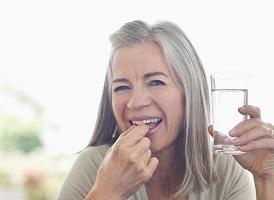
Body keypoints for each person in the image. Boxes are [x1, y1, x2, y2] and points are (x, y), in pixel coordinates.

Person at [58, 20, 274, 200]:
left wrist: (267, 178)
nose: (135, 102)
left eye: (156, 82)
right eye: (122, 87)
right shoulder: (94, 167)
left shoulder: (225, 169)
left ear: (189, 92)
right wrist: (107, 192)